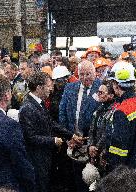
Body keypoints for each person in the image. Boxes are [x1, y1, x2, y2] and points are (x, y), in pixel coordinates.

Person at [19, 72, 81, 192]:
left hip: (44, 156)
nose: (51, 88)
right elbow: (30, 137)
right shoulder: (27, 108)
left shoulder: (39, 103)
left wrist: (71, 135)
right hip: (36, 159)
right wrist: (53, 140)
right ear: (39, 88)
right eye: (48, 86)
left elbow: (51, 123)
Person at [104, 61, 136, 176]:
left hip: (130, 173)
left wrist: (112, 172)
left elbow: (119, 150)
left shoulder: (122, 111)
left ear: (116, 85)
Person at [59, 60, 101, 192]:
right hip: (73, 141)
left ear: (95, 73)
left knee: (93, 179)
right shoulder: (70, 88)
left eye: (88, 74)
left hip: (93, 143)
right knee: (77, 179)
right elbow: (62, 113)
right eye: (81, 74)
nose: (85, 77)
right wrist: (68, 137)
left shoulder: (101, 88)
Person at [88, 82, 115, 166]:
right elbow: (92, 130)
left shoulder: (115, 111)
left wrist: (97, 148)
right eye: (98, 92)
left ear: (111, 95)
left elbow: (107, 134)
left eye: (101, 93)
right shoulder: (99, 109)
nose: (98, 94)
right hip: (95, 151)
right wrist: (90, 145)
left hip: (105, 154)